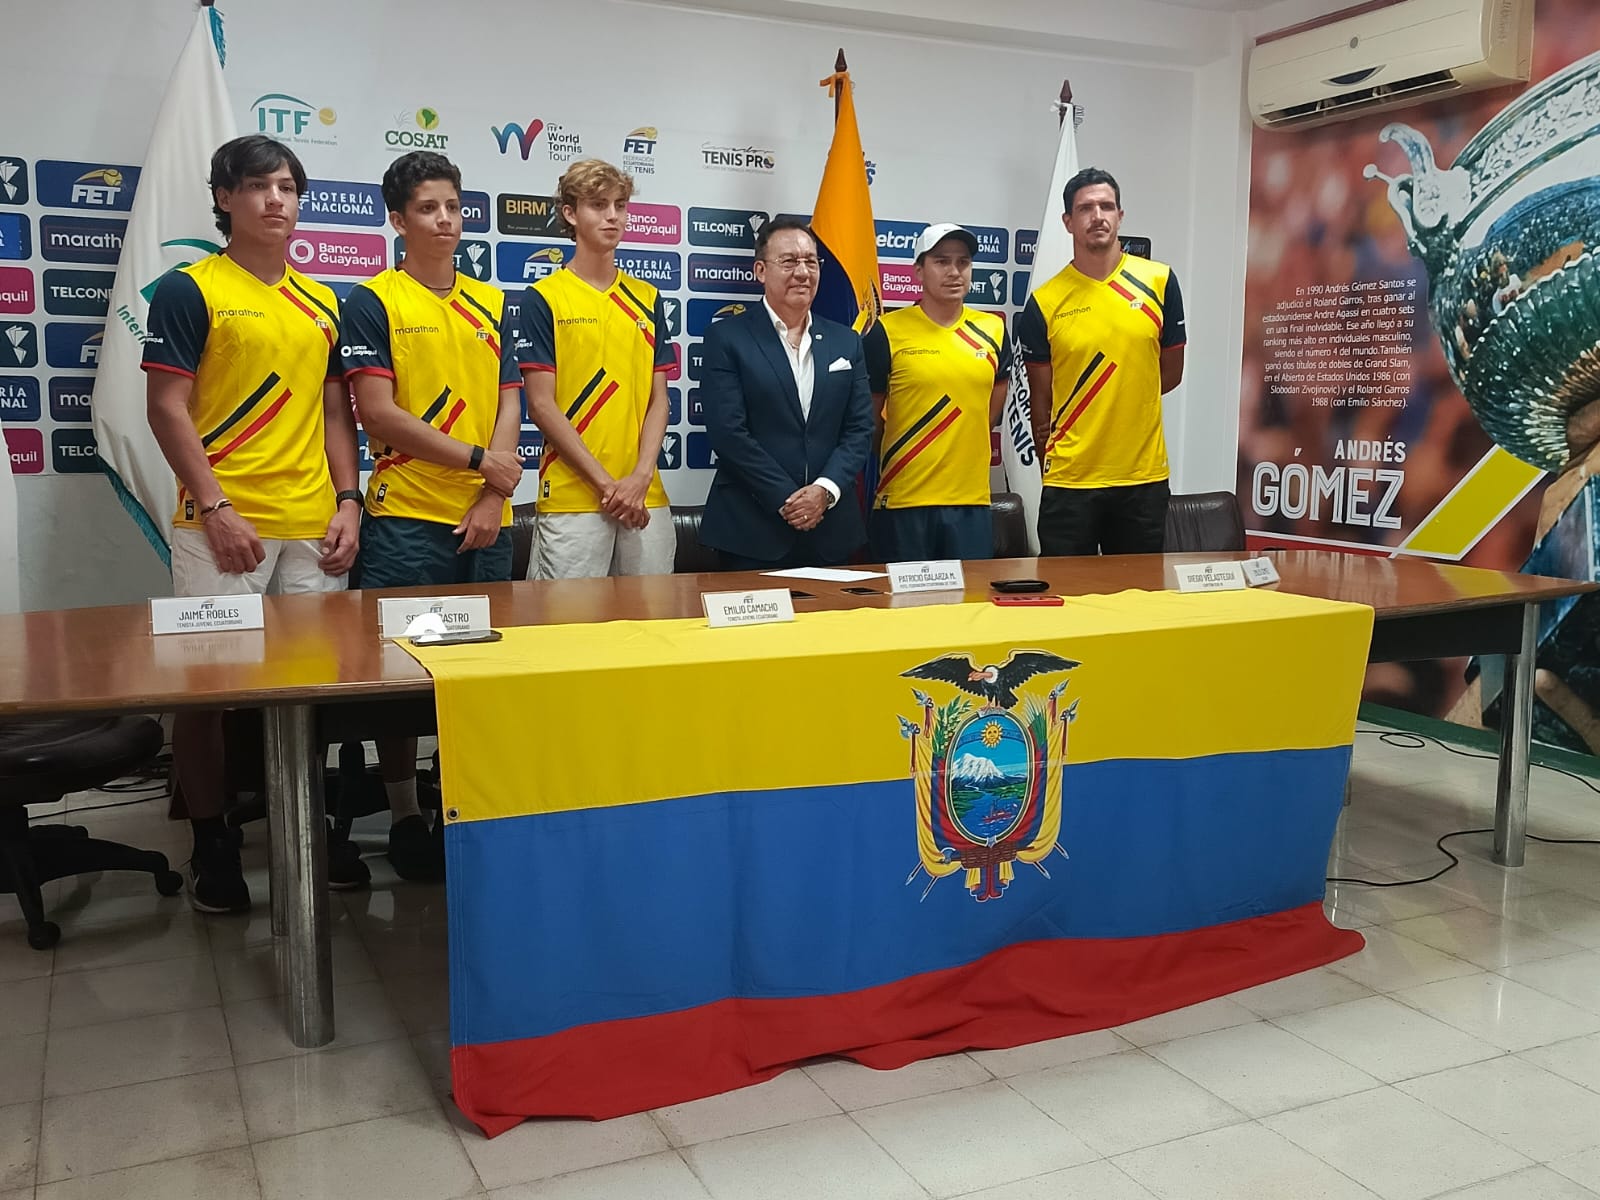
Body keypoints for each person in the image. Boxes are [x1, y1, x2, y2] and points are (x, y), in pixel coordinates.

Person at [143, 134, 366, 911]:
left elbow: (336, 413)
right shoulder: (189, 289)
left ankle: (310, 825)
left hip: (312, 526)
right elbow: (166, 407)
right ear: (224, 198)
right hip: (221, 525)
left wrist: (349, 500)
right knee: (206, 693)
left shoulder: (324, 299)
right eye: (259, 186)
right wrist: (217, 506)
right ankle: (213, 841)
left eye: (288, 187)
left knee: (310, 691)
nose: (277, 200)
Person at [342, 151, 523, 880]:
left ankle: (462, 804)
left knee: (480, 673)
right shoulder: (373, 300)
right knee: (401, 679)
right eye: (427, 208)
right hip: (406, 521)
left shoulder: (494, 301)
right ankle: (404, 813)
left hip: (485, 520)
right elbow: (378, 414)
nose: (444, 220)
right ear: (397, 219)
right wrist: (482, 463)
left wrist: (493, 494)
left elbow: (510, 402)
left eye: (452, 206)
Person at [515, 159, 675, 578]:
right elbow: (541, 405)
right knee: (570, 619)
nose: (613, 216)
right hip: (574, 499)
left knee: (656, 616)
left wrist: (640, 478)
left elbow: (659, 400)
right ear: (570, 213)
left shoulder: (647, 298)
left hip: (644, 497)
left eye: (620, 205)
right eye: (598, 205)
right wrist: (608, 486)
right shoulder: (544, 297)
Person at [1018, 167, 1186, 556]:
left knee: (1138, 593)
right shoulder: (1045, 301)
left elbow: (1170, 373)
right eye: (1086, 208)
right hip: (1070, 482)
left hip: (1142, 480)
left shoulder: (1160, 282)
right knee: (1066, 592)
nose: (1098, 216)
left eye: (1107, 206)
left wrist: (1125, 398)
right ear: (1068, 221)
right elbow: (1040, 400)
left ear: (1120, 216)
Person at [699, 216, 874, 570]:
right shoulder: (727, 338)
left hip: (831, 530)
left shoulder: (846, 341)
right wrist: (788, 499)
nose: (803, 272)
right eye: (789, 261)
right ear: (761, 271)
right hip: (751, 530)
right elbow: (728, 433)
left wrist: (823, 492)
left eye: (811, 261)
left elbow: (860, 430)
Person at [863, 223, 1010, 561]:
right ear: (918, 270)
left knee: (971, 596)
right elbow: (870, 422)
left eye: (963, 262)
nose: (954, 271)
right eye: (942, 261)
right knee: (900, 597)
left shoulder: (993, 329)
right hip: (904, 503)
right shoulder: (887, 331)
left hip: (971, 503)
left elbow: (991, 406)